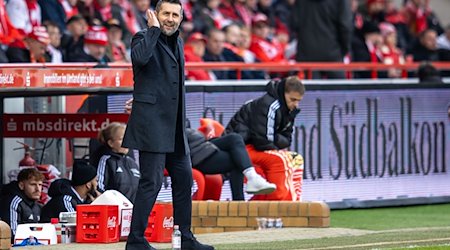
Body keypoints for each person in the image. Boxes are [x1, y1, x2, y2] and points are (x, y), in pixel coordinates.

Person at [121, 0, 214, 249]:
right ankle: (136, 240)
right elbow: (140, 60)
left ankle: (185, 238)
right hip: (152, 125)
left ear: (182, 18)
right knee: (151, 182)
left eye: (175, 14)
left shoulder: (179, 41)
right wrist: (152, 30)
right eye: (165, 14)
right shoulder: (142, 36)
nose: (170, 19)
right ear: (155, 15)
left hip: (174, 128)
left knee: (184, 179)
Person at [226, 75, 305, 201]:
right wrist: (275, 140)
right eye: (293, 99)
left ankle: (290, 202)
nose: (295, 104)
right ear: (283, 93)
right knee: (280, 159)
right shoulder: (269, 105)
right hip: (241, 149)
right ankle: (276, 203)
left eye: (298, 100)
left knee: (296, 159)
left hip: (253, 147)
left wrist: (274, 138)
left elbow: (287, 139)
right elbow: (262, 141)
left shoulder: (289, 110)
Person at [187, 121, 276, 201]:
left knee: (234, 138)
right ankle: (240, 200)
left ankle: (252, 178)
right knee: (237, 160)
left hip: (202, 144)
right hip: (194, 153)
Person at [290, 0, 352, 79]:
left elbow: (294, 23)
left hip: (307, 54)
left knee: (310, 89)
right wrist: (345, 49)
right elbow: (345, 26)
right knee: (338, 89)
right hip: (333, 53)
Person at [96, 122, 140, 202]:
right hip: (114, 211)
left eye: (128, 138)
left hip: (134, 211)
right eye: (121, 139)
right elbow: (99, 188)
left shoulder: (132, 162)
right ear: (111, 143)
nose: (126, 142)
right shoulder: (106, 160)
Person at [0, 168, 44, 238]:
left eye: (40, 185)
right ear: (21, 185)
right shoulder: (13, 202)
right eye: (33, 184)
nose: (38, 189)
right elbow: (13, 234)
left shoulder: (38, 206)